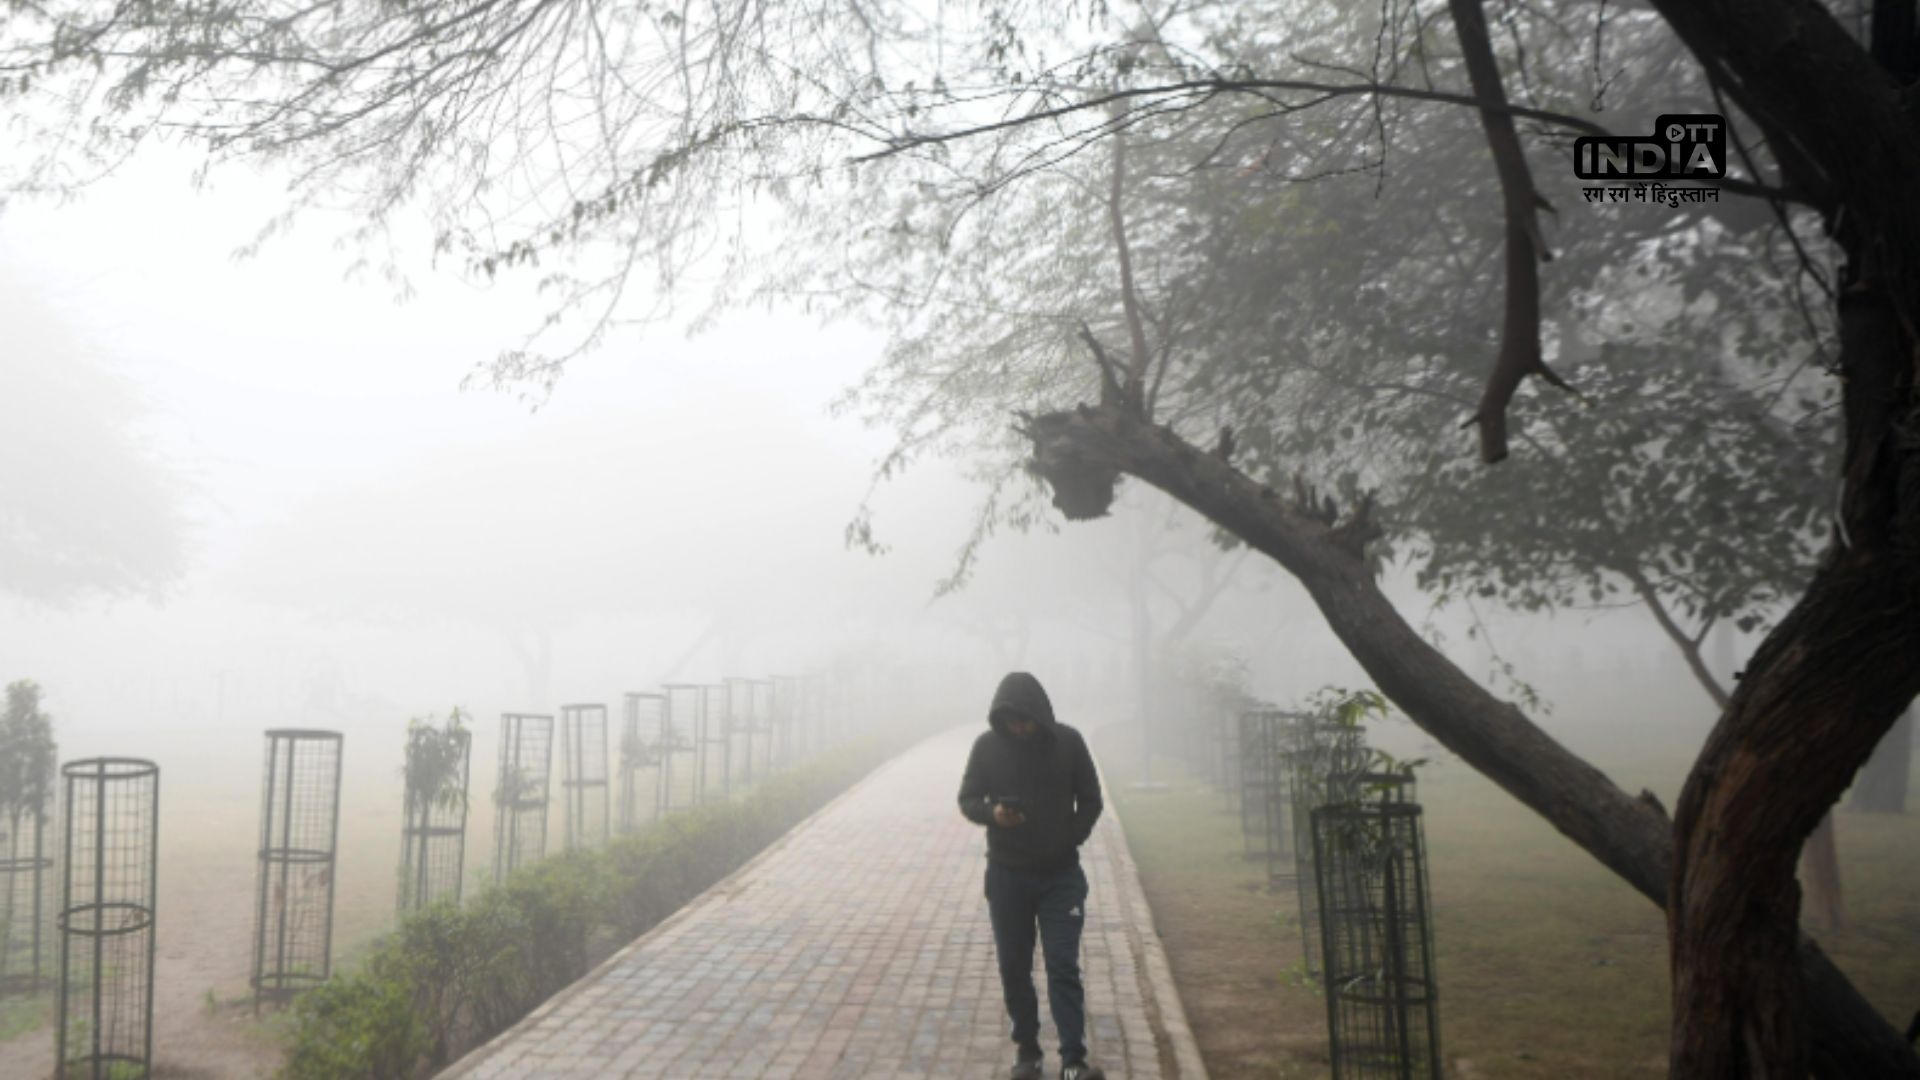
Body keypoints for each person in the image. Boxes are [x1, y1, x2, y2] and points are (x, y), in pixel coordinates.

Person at [957, 672, 1107, 1080]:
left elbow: (1092, 801)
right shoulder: (987, 747)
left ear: (1040, 715)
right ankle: (1028, 1050)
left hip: (1061, 877)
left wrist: (1067, 839)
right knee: (1014, 966)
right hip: (1008, 877)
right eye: (1009, 722)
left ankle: (1074, 1060)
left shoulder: (1069, 742)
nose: (1017, 728)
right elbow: (967, 799)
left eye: (1023, 720)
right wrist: (994, 815)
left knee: (1062, 965)